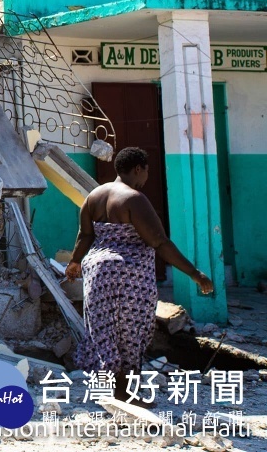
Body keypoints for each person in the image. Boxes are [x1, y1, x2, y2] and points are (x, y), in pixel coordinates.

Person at [66, 146, 214, 406]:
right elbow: (160, 243)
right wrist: (194, 273)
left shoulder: (94, 196)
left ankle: (115, 391)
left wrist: (75, 262)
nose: (146, 177)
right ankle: (127, 395)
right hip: (129, 275)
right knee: (130, 334)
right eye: (146, 171)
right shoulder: (134, 199)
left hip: (98, 272)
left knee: (106, 332)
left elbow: (85, 235)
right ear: (138, 169)